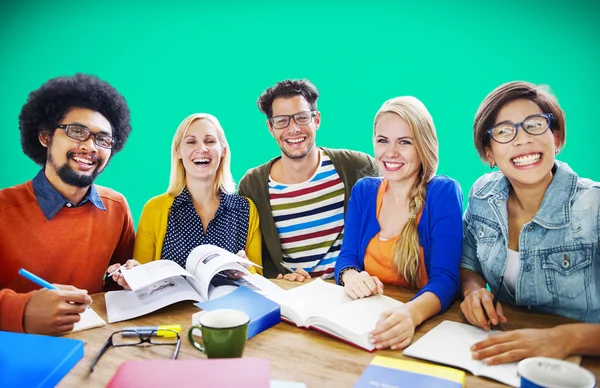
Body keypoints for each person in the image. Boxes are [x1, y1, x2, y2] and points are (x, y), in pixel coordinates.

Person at [460, 81, 600, 365]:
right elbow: (469, 264)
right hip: (505, 351)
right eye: (504, 131)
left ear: (556, 138)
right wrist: (473, 291)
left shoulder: (594, 207)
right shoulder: (483, 195)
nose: (522, 140)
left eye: (535, 125)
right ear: (489, 153)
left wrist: (565, 339)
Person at [0, 73, 134, 335]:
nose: (90, 146)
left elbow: (114, 287)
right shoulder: (3, 209)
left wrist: (129, 279)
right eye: (77, 131)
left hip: (94, 347)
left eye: (103, 139)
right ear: (45, 136)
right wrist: (21, 310)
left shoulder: (117, 208)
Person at [334, 96, 463, 350]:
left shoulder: (442, 192)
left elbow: (447, 279)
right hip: (366, 325)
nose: (390, 153)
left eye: (404, 142)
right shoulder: (364, 191)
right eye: (383, 140)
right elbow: (347, 256)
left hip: (423, 328)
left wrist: (410, 315)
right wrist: (350, 276)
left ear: (423, 146)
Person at [238, 79, 379, 280]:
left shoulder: (358, 167)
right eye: (281, 121)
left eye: (302, 118)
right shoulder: (252, 185)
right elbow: (259, 256)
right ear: (271, 128)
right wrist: (280, 279)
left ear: (317, 120)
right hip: (294, 299)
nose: (293, 129)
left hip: (352, 290)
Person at [109, 113, 262, 288]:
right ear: (178, 151)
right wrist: (133, 276)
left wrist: (245, 271)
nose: (202, 148)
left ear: (224, 150)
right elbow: (142, 275)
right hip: (173, 313)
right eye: (191, 142)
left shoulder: (246, 209)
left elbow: (260, 279)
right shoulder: (155, 209)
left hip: (229, 313)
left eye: (210, 141)